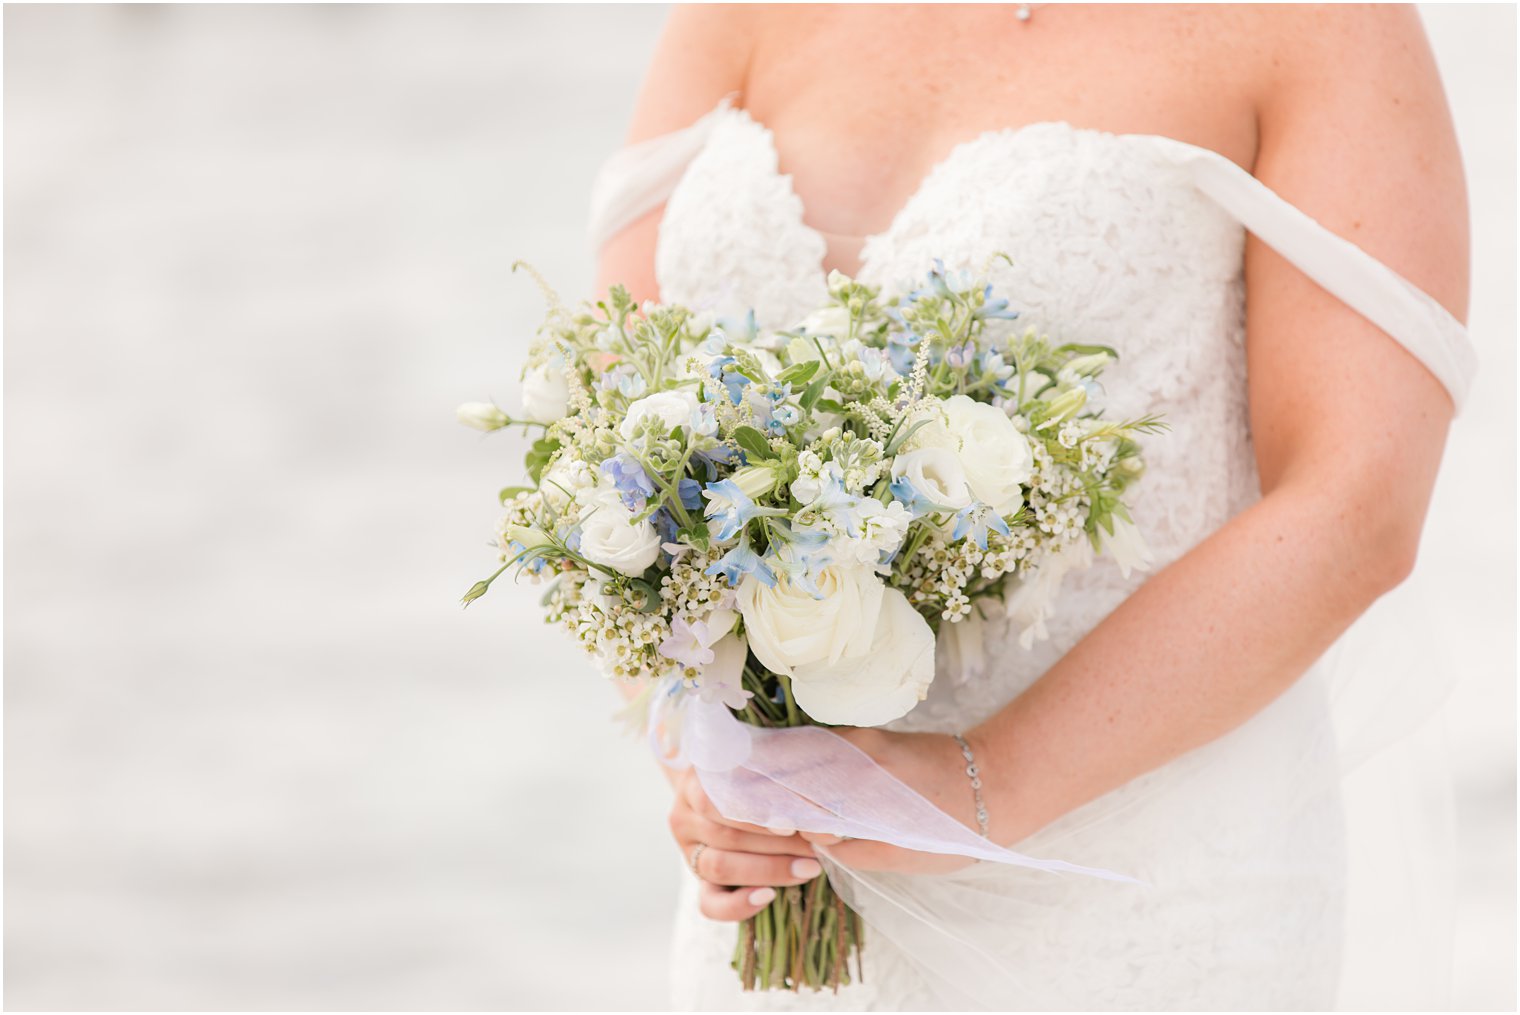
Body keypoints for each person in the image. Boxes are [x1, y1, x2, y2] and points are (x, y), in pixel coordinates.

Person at [589, 4, 1475, 1009]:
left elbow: (1352, 505)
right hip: (778, 894)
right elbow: (613, 443)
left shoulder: (1315, 24)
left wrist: (975, 787)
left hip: (1135, 888)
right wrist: (708, 777)